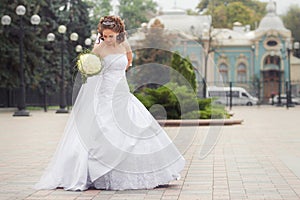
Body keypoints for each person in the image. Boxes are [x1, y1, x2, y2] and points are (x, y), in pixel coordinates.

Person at [34, 15, 185, 191]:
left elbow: (129, 60)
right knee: (104, 130)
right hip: (105, 95)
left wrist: (121, 71)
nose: (107, 39)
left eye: (110, 36)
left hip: (122, 94)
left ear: (118, 33)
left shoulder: (125, 45)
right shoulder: (99, 49)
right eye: (104, 36)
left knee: (138, 128)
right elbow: (90, 71)